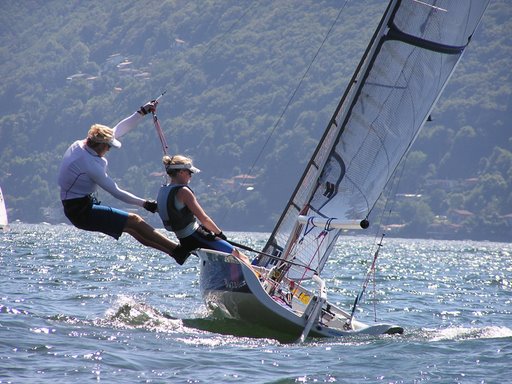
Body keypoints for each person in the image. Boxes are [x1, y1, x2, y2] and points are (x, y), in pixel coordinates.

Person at [58, 101, 189, 265]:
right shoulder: (90, 164)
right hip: (79, 211)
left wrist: (142, 112)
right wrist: (145, 204)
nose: (109, 150)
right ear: (99, 144)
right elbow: (116, 191)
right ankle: (180, 250)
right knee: (134, 221)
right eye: (108, 147)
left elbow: (119, 130)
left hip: (79, 204)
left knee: (132, 228)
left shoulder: (84, 143)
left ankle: (176, 253)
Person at [157, 154, 248, 262]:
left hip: (185, 240)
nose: (191, 176)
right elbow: (204, 218)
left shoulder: (163, 191)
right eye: (189, 173)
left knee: (232, 256)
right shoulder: (183, 191)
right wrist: (220, 234)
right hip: (196, 237)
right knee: (239, 256)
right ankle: (259, 278)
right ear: (181, 172)